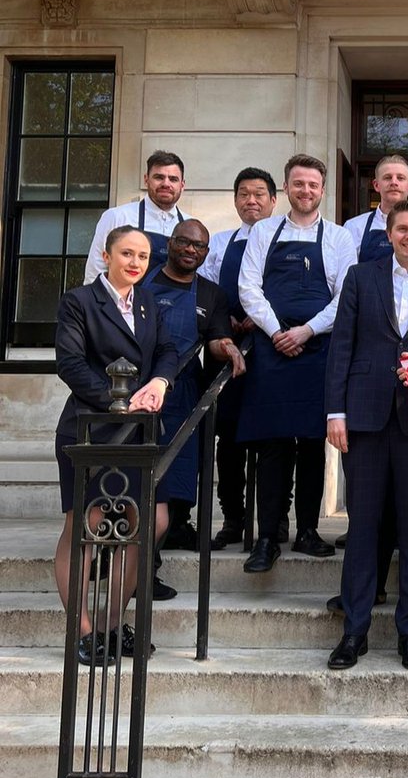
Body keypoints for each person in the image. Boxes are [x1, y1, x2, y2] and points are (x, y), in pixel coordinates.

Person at [325, 200, 408, 670]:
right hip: (363, 418)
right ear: (388, 232)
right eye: (402, 228)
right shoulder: (361, 277)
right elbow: (341, 346)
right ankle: (354, 631)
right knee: (363, 528)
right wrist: (335, 413)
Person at [54, 225, 179, 665]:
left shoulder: (148, 302)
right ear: (106, 256)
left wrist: (161, 382)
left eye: (143, 257)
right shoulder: (79, 301)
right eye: (126, 253)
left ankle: (110, 624)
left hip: (139, 433)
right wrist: (117, 400)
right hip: (89, 428)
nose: (135, 263)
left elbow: (167, 349)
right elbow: (69, 363)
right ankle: (83, 631)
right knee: (83, 526)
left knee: (151, 520)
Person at [237, 154, 356, 573]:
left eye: (313, 185)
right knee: (272, 446)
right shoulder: (264, 231)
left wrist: (306, 331)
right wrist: (276, 332)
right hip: (272, 350)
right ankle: (269, 535)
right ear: (287, 188)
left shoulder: (340, 238)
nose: (306, 191)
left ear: (323, 190)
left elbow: (346, 297)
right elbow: (248, 287)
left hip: (318, 349)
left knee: (311, 445)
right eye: (298, 184)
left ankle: (308, 530)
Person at [143, 219, 245, 554]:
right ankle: (143, 537)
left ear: (206, 252)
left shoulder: (211, 294)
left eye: (199, 246)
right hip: (140, 384)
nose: (191, 250)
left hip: (185, 389)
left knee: (185, 459)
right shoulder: (143, 281)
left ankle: (178, 524)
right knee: (144, 458)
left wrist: (228, 348)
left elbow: (216, 338)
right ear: (170, 243)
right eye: (184, 242)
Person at [198, 167, 279, 550]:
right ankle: (233, 518)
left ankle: (274, 521)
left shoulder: (285, 240)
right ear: (235, 200)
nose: (252, 200)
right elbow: (207, 291)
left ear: (273, 201)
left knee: (273, 439)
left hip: (271, 349)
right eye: (244, 194)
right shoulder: (219, 242)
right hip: (226, 350)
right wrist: (224, 320)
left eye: (259, 194)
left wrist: (264, 318)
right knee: (228, 442)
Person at [84, 151, 190, 284]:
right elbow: (95, 271)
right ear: (146, 180)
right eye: (159, 177)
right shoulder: (117, 217)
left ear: (182, 185)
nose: (166, 184)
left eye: (173, 179)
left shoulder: (190, 226)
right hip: (125, 304)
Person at [344, 155, 408, 263]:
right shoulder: (354, 227)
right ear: (376, 185)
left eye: (400, 178)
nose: (394, 182)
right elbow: (347, 273)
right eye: (387, 178)